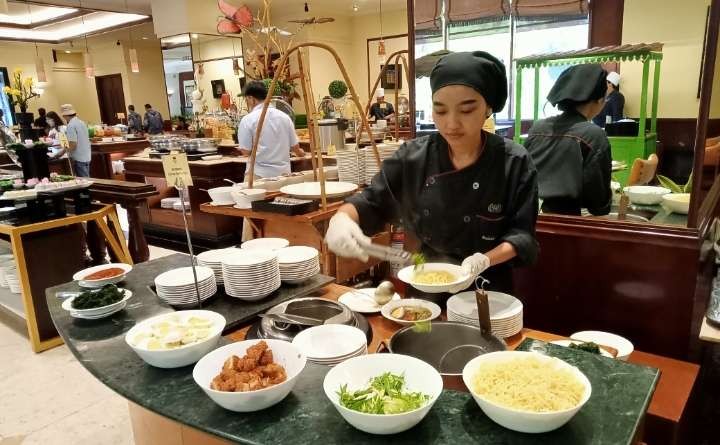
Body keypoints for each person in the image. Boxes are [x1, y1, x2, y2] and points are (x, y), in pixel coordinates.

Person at [325, 51, 538, 293]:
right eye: (441, 110)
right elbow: (370, 200)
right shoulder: (414, 157)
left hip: (488, 287)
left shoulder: (514, 162)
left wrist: (484, 260)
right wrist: (341, 218)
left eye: (466, 110)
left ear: (488, 108)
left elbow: (522, 236)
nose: (451, 124)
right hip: (426, 285)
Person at [524, 64, 612, 216]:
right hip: (566, 224)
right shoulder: (594, 135)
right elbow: (598, 202)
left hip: (526, 217)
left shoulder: (537, 128)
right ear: (598, 100)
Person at [237, 80, 304, 179]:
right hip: (283, 175)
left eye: (247, 99)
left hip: (258, 175)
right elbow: (295, 147)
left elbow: (246, 151)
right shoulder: (285, 117)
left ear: (251, 98)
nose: (248, 102)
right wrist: (300, 153)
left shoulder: (248, 120)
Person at [57, 104, 91, 177]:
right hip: (86, 156)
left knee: (83, 182)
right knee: (87, 179)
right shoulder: (82, 122)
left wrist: (62, 152)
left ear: (65, 116)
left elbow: (73, 145)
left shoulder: (71, 125)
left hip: (78, 158)